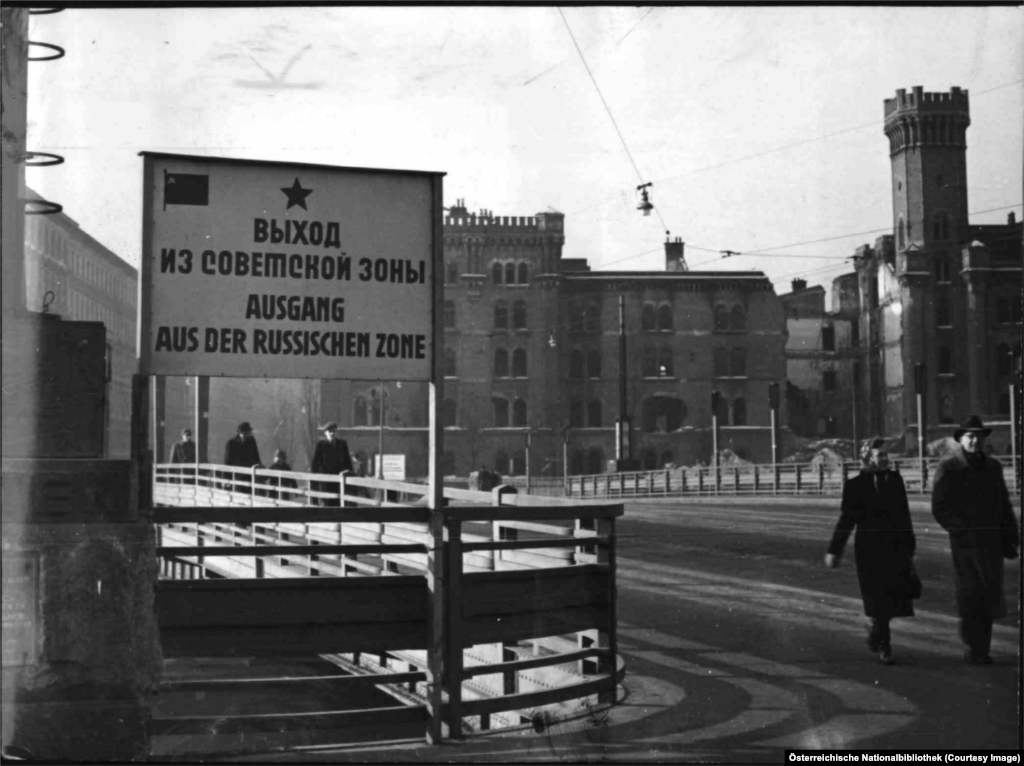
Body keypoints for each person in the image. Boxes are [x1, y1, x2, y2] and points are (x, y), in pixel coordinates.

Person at [931, 415, 1020, 665]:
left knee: (989, 593)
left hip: (991, 541)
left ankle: (983, 648)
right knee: (970, 593)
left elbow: (1003, 503)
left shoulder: (993, 467)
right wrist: (961, 530)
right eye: (969, 437)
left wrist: (1011, 536)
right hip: (965, 545)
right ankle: (972, 644)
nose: (974, 441)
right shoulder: (949, 468)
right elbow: (940, 507)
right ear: (961, 440)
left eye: (978, 437)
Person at [825, 438, 917, 665]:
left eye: (886, 454)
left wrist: (909, 544)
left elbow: (904, 515)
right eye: (880, 455)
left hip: (894, 548)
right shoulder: (855, 485)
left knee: (891, 598)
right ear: (868, 458)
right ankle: (884, 644)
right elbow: (846, 520)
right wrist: (834, 550)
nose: (885, 458)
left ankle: (878, 631)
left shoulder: (895, 480)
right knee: (877, 598)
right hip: (869, 551)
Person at [310, 422, 352, 506]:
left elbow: (347, 462)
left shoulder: (342, 444)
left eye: (334, 431)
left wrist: (350, 475)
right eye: (330, 431)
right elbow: (315, 464)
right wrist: (314, 482)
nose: (332, 433)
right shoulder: (320, 445)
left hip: (338, 481)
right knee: (327, 505)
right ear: (325, 433)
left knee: (339, 504)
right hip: (326, 482)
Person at [223, 422, 262, 494]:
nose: (246, 436)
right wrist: (226, 479)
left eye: (247, 433)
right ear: (239, 434)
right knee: (238, 495)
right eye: (244, 434)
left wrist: (260, 468)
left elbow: (256, 457)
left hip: (249, 476)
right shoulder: (231, 444)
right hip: (237, 476)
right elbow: (227, 462)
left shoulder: (251, 441)